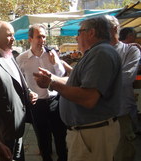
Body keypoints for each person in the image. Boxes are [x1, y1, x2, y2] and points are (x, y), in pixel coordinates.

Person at [33, 16, 122, 161]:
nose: (76, 37)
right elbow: (76, 82)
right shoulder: (97, 53)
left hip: (92, 134)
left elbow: (88, 98)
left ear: (91, 33)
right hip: (89, 133)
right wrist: (53, 78)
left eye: (79, 32)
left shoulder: (101, 54)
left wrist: (52, 84)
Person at [0, 21, 38, 161]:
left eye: (13, 35)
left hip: (18, 128)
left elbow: (17, 81)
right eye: (9, 35)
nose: (13, 38)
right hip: (4, 135)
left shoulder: (9, 55)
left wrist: (28, 92)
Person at [16, 24, 68, 161]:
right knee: (43, 139)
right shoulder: (21, 59)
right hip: (37, 104)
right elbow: (20, 80)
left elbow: (62, 75)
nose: (42, 40)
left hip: (55, 101)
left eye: (44, 36)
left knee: (60, 136)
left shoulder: (52, 54)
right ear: (30, 39)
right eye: (39, 36)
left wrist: (55, 63)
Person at [105, 15, 141, 161]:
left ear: (114, 29)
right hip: (99, 116)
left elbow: (126, 78)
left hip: (121, 115)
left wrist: (97, 81)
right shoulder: (95, 52)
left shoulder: (130, 51)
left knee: (123, 155)